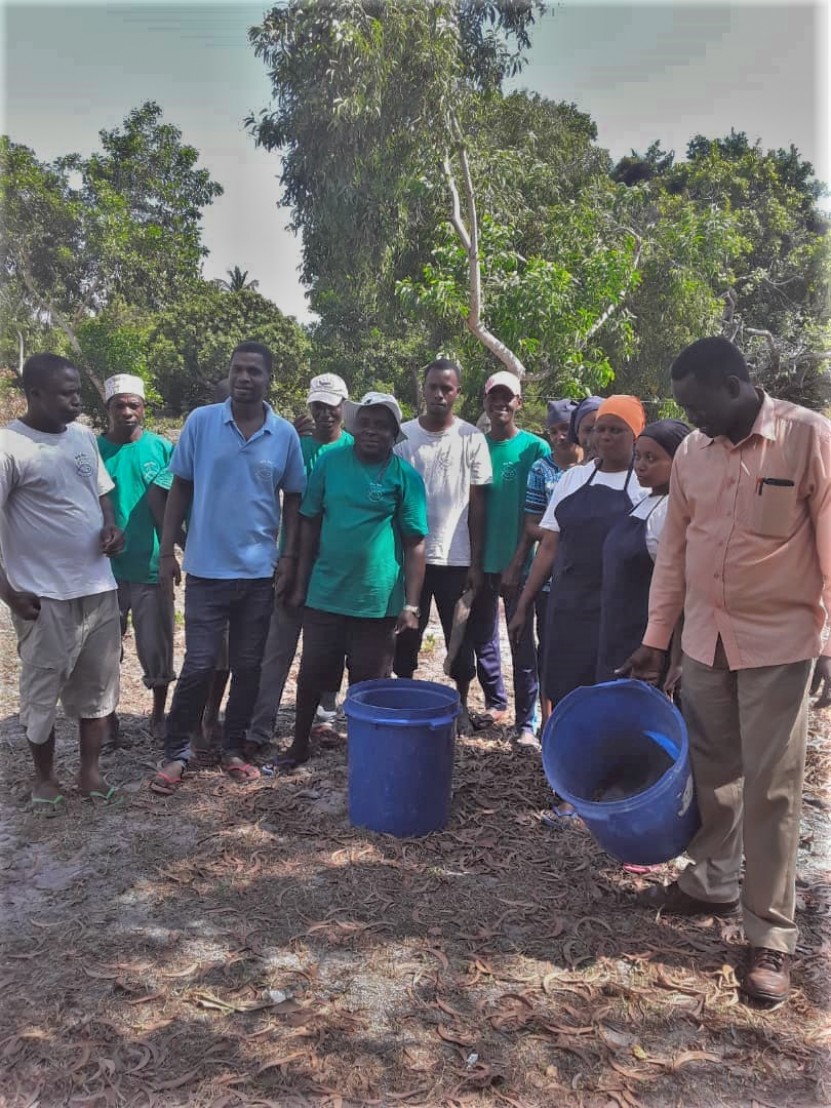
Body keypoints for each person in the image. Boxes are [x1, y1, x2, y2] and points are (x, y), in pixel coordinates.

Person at [620, 337, 831, 1005]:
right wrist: (658, 639)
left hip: (779, 643)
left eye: (697, 404)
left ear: (736, 385)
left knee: (771, 787)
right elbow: (674, 555)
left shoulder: (806, 438)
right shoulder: (690, 454)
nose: (692, 418)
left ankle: (769, 935)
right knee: (713, 771)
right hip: (705, 643)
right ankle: (711, 881)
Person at [150, 341, 307, 794]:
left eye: (254, 371)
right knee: (199, 663)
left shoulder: (284, 436)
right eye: (238, 370)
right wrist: (167, 551)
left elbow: (294, 499)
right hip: (205, 572)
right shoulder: (201, 422)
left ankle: (233, 749)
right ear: (229, 374)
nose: (244, 378)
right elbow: (180, 487)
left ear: (267, 379)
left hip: (259, 574)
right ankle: (177, 753)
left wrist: (290, 557)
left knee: (247, 664)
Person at [0, 353, 124, 811]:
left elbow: (102, 494)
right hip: (42, 597)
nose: (77, 401)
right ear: (35, 394)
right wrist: (8, 592)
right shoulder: (9, 447)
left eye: (78, 391)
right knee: (42, 691)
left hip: (97, 587)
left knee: (96, 689)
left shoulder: (83, 438)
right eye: (66, 393)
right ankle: (45, 778)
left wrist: (111, 527)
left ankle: (90, 774)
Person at [278, 392, 427, 769]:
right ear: (354, 425)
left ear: (394, 433)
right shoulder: (329, 463)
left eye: (382, 425)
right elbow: (308, 522)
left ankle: (365, 756)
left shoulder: (404, 477)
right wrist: (299, 581)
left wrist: (411, 604)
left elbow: (415, 544)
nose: (372, 431)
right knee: (312, 673)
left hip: (376, 600)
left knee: (368, 682)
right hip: (326, 593)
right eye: (366, 422)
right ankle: (298, 745)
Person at [509, 395, 648, 711]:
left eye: (617, 430)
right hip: (568, 608)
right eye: (600, 429)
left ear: (636, 436)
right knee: (565, 690)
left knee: (611, 697)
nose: (606, 437)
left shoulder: (644, 486)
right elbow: (549, 545)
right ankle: (563, 756)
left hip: (618, 615)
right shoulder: (574, 478)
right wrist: (523, 604)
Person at [243, 373, 354, 757]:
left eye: (332, 406)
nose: (325, 414)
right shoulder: (293, 444)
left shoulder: (357, 448)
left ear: (345, 405)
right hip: (290, 560)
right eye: (318, 406)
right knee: (278, 646)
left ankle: (325, 718)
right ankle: (260, 724)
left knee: (327, 649)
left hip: (336, 569)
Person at [392, 358, 492, 732]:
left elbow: (478, 504)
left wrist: (476, 562)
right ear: (424, 389)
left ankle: (461, 706)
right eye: (433, 386)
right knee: (406, 632)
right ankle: (403, 697)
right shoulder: (402, 436)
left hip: (456, 555)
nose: (439, 394)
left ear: (457, 393)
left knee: (459, 636)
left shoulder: (472, 438)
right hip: (409, 555)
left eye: (447, 388)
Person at [468, 371, 550, 744]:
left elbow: (543, 511)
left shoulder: (535, 448)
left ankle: (526, 721)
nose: (500, 403)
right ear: (485, 400)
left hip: (523, 564)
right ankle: (495, 701)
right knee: (481, 636)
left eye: (508, 397)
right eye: (493, 396)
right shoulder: (475, 445)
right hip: (480, 560)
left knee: (520, 641)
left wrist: (519, 561)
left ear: (519, 403)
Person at [97, 374, 176, 742]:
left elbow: (175, 506)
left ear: (144, 408)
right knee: (103, 649)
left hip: (149, 566)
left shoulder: (160, 448)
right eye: (119, 405)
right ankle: (107, 717)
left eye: (134, 405)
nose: (127, 412)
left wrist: (172, 552)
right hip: (102, 571)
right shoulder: (93, 450)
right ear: (108, 409)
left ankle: (158, 714)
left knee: (157, 644)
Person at [594, 418, 690, 685]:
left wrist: (677, 658)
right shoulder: (644, 502)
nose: (641, 465)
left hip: (647, 644)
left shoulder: (672, 511)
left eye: (652, 458)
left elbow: (680, 589)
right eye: (638, 456)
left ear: (680, 462)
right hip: (617, 634)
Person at [520, 399, 581, 732]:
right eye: (555, 430)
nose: (561, 437)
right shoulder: (541, 470)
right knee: (549, 650)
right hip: (549, 578)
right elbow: (531, 525)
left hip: (586, 580)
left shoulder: (595, 468)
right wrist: (564, 532)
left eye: (566, 430)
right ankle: (547, 720)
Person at [568, 396, 602, 462]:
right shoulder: (574, 472)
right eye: (588, 430)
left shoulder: (626, 471)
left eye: (601, 429)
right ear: (577, 433)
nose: (594, 437)